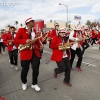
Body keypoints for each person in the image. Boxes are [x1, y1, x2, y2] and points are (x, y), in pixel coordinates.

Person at [14, 17, 43, 91]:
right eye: (32, 21)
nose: (34, 22)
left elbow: (36, 40)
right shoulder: (21, 30)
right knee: (25, 70)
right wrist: (25, 40)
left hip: (35, 52)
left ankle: (34, 84)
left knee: (36, 69)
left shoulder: (34, 30)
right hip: (25, 52)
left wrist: (40, 45)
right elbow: (16, 40)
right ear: (28, 23)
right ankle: (24, 82)